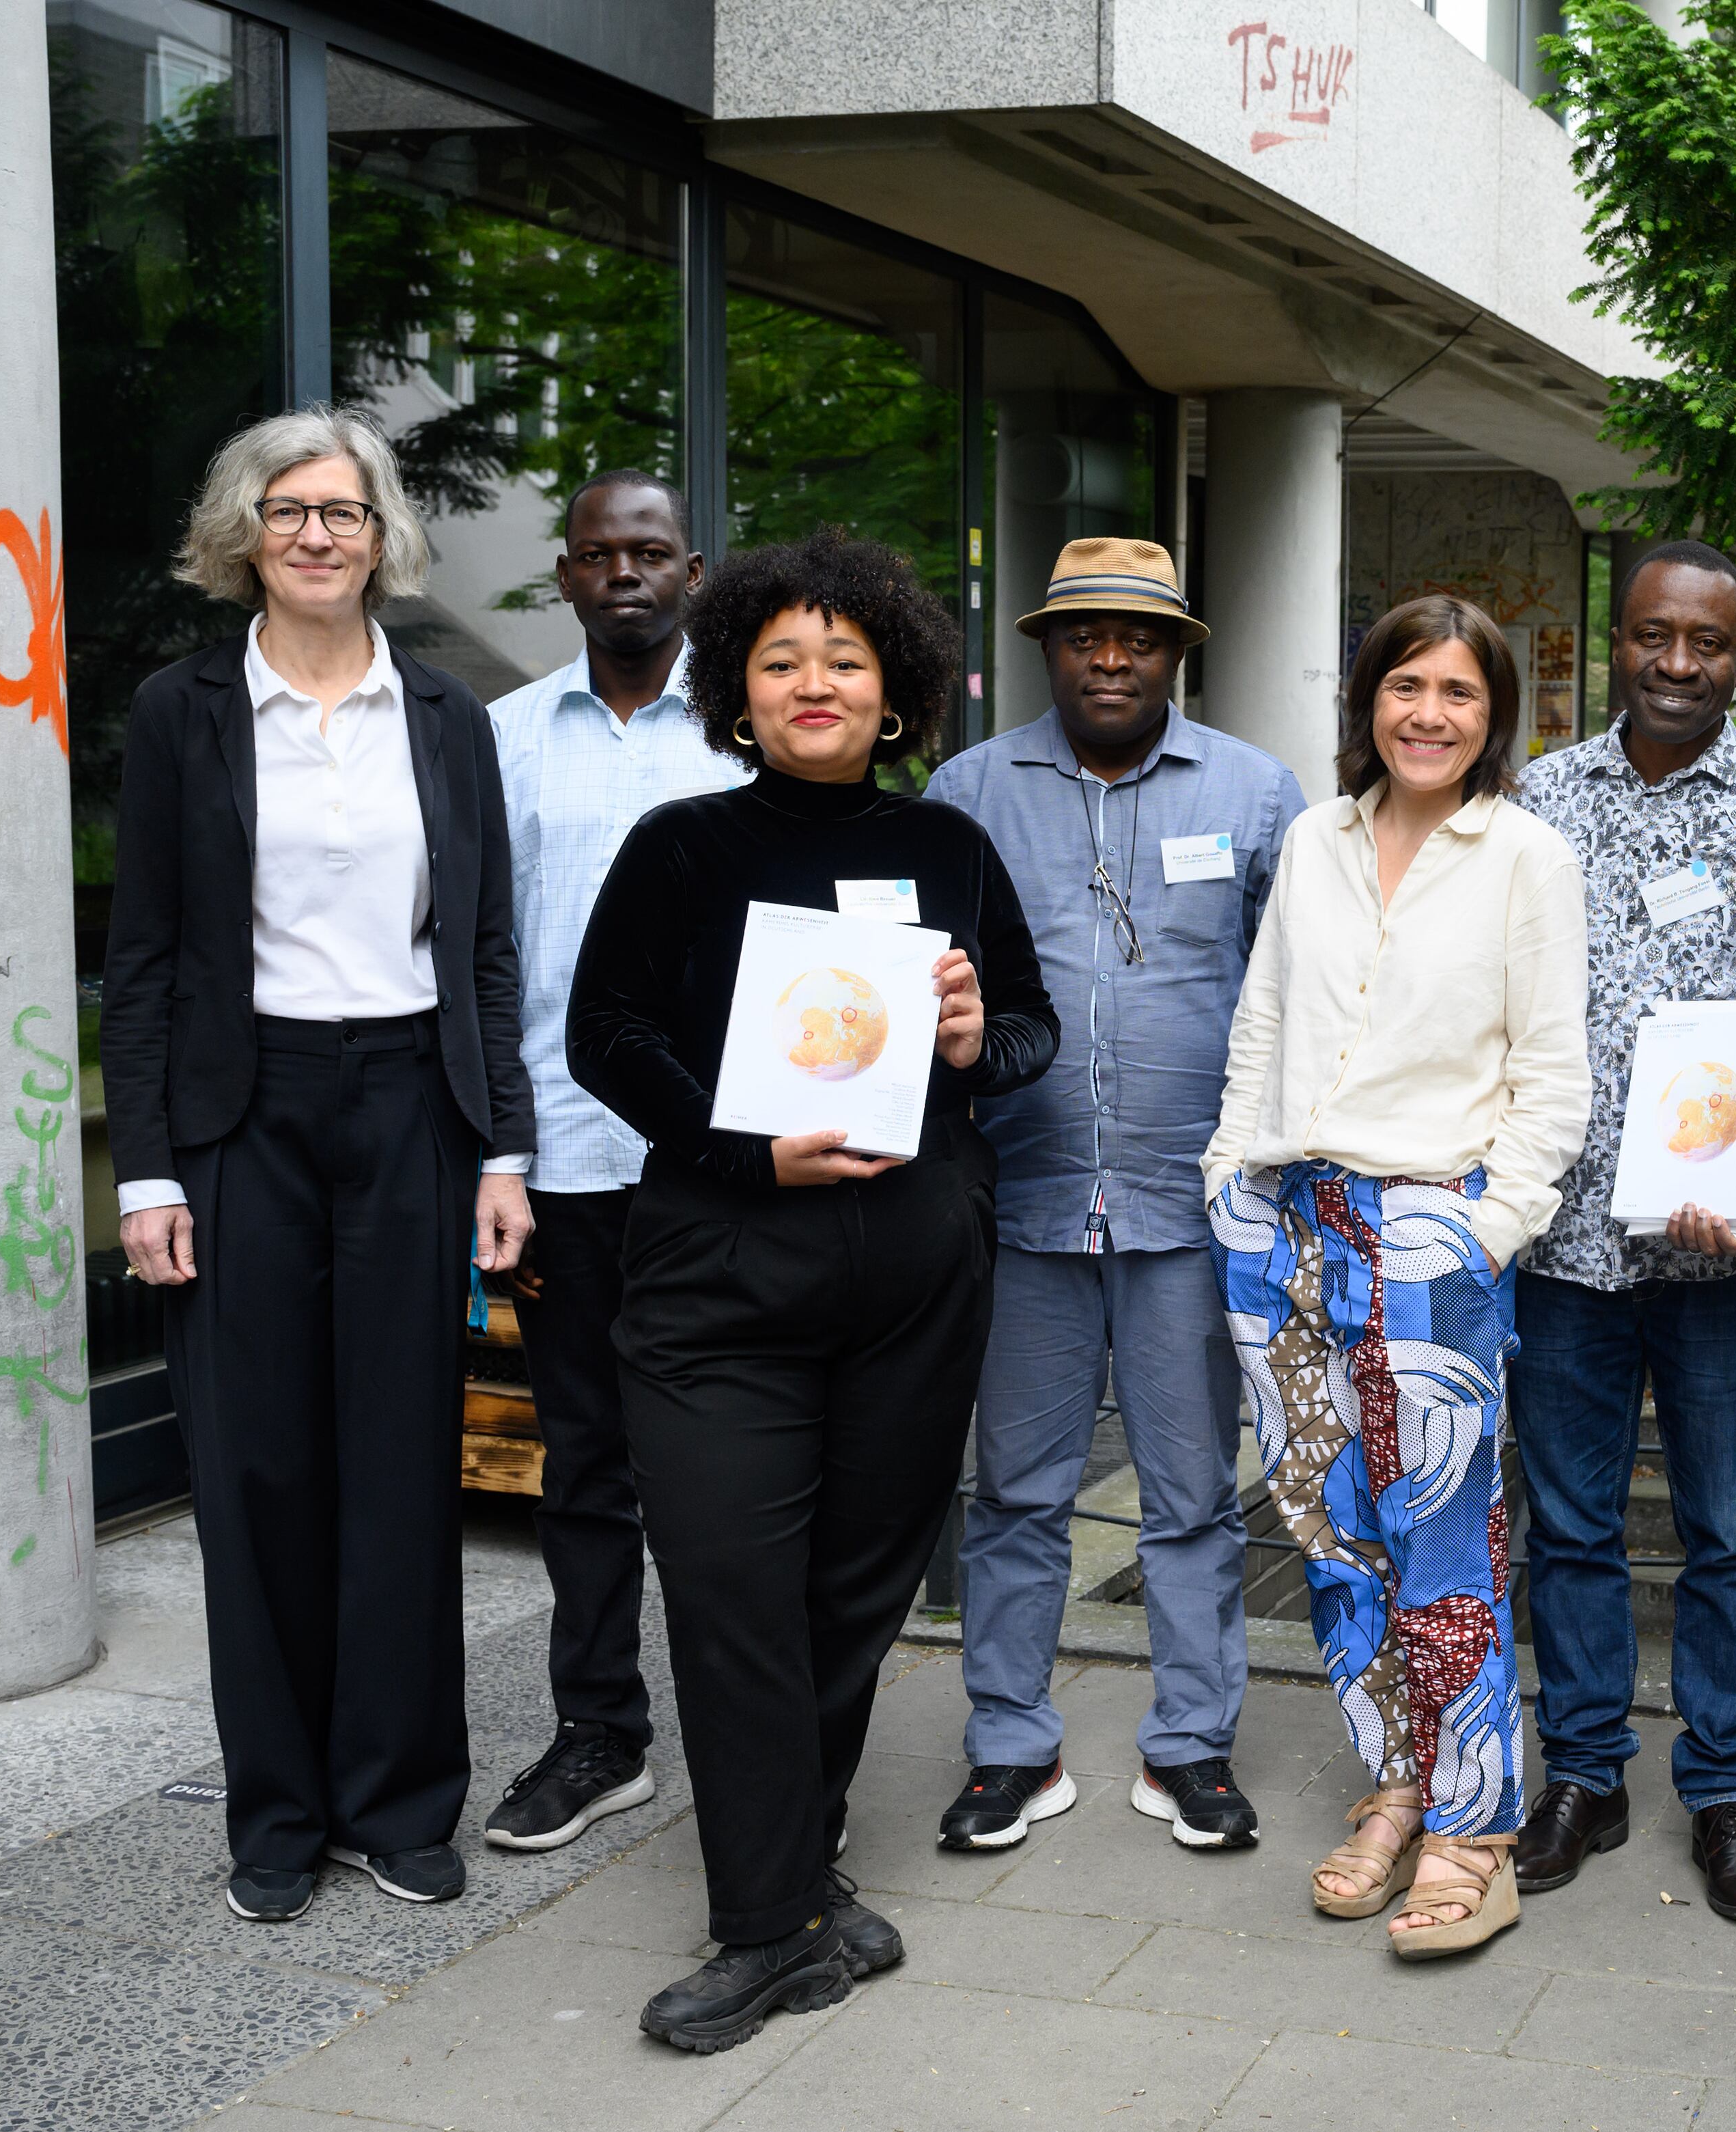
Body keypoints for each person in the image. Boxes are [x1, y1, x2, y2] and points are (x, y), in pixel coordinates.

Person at [565, 529, 1057, 2051]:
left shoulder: (950, 853)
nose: (814, 682)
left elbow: (1031, 1037)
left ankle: (800, 1875)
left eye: (843, 658)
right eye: (781, 659)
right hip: (721, 1274)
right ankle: (767, 1925)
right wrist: (739, 1144)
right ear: (739, 691)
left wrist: (977, 1039)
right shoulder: (683, 849)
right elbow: (606, 1038)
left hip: (912, 1281)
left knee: (855, 1591)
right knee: (730, 1592)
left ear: (893, 688)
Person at [101, 404, 537, 1924]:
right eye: (284, 510)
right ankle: (277, 1817)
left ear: (381, 535)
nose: (313, 533)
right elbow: (144, 956)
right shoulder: (183, 713)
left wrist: (504, 1148)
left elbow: (485, 947)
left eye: (341, 510)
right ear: (245, 534)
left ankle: (404, 1803)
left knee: (405, 1469)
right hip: (244, 1121)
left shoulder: (442, 717)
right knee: (258, 1472)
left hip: (412, 1109)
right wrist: (146, 1171)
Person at [1204, 592, 1588, 1959]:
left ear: (1494, 717)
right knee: (1328, 1528)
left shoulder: (1524, 857)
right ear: (1368, 697)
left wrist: (1481, 1232)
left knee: (1446, 1538)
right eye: (1404, 685)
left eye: (1458, 693)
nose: (1427, 713)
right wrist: (1226, 1184)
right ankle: (1399, 1778)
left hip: (1429, 1232)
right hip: (1282, 1218)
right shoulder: (1314, 836)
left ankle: (1475, 1826)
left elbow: (1554, 1078)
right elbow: (1262, 1020)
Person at [925, 538, 1304, 1853]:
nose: (1110, 654)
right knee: (1017, 1492)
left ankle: (1191, 1745)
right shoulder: (966, 790)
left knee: (1193, 1499)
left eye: (1138, 636)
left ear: (1176, 652)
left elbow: (1288, 998)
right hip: (1022, 1206)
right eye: (1084, 632)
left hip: (1186, 1208)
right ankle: (1009, 1750)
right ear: (1047, 645)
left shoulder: (1258, 795)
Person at [1507, 541, 1736, 1921]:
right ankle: (1584, 1772)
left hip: (1720, 1255)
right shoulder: (1532, 803)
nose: (1677, 663)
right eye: (1653, 635)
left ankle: (1727, 1791)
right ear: (1616, 640)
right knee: (1571, 1524)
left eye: (1706, 642)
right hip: (1564, 1240)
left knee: (1729, 1531)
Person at [479, 470, 746, 1855]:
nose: (625, 572)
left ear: (692, 573)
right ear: (567, 577)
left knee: (731, 1463)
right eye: (599, 554)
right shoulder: (502, 740)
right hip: (571, 1162)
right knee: (584, 1463)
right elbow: (480, 964)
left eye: (650, 552)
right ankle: (600, 1733)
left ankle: (749, 1740)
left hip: (733, 1163)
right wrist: (498, 1155)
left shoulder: (753, 734)